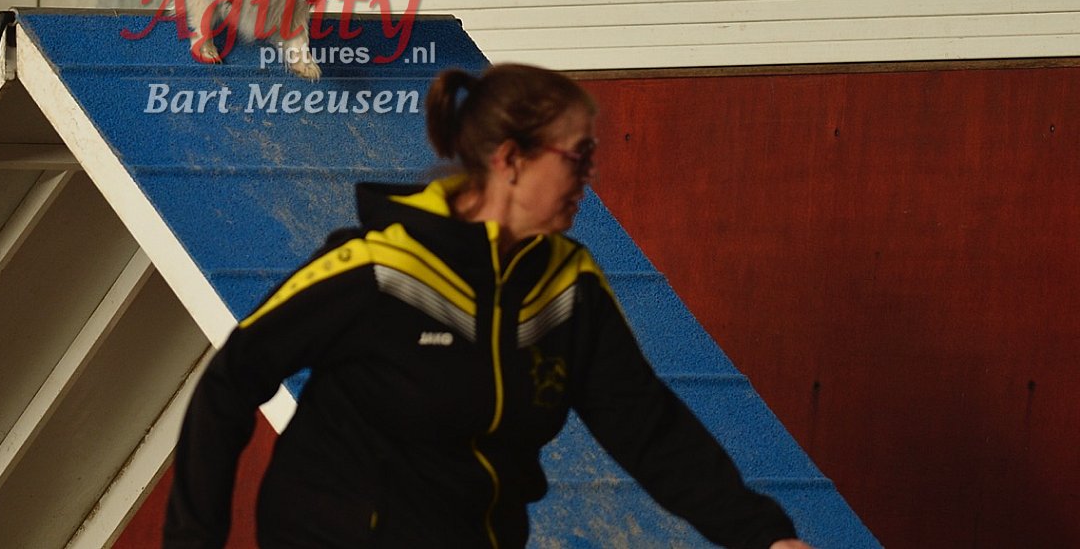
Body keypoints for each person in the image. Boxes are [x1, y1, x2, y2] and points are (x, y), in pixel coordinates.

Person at [163, 63, 815, 549]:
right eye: (578, 156)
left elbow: (646, 427)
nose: (589, 176)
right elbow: (229, 381)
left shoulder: (568, 288)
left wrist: (763, 535)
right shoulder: (379, 270)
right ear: (510, 160)